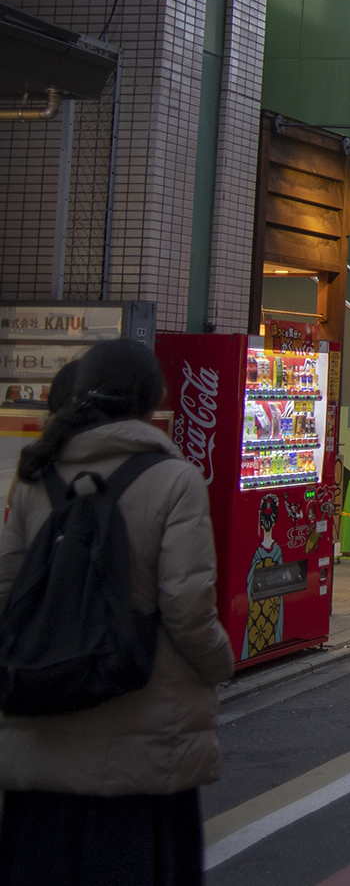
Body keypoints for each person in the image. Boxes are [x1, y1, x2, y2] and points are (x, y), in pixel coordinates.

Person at [0, 339, 235, 885]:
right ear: (155, 401)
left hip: (42, 716)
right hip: (144, 731)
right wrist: (220, 663)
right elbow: (187, 608)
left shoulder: (37, 472)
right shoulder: (173, 479)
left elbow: (7, 588)